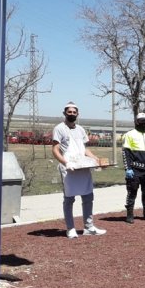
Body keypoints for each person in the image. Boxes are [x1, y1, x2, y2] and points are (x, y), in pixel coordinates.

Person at [51, 102, 106, 239]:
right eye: (69, 112)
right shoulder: (59, 129)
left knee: (88, 196)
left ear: (77, 114)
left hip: (83, 167)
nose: (71, 114)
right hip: (69, 168)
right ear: (64, 113)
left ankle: (89, 227)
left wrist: (96, 160)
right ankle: (70, 229)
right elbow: (55, 150)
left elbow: (84, 149)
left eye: (74, 112)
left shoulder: (81, 129)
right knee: (69, 199)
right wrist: (66, 162)